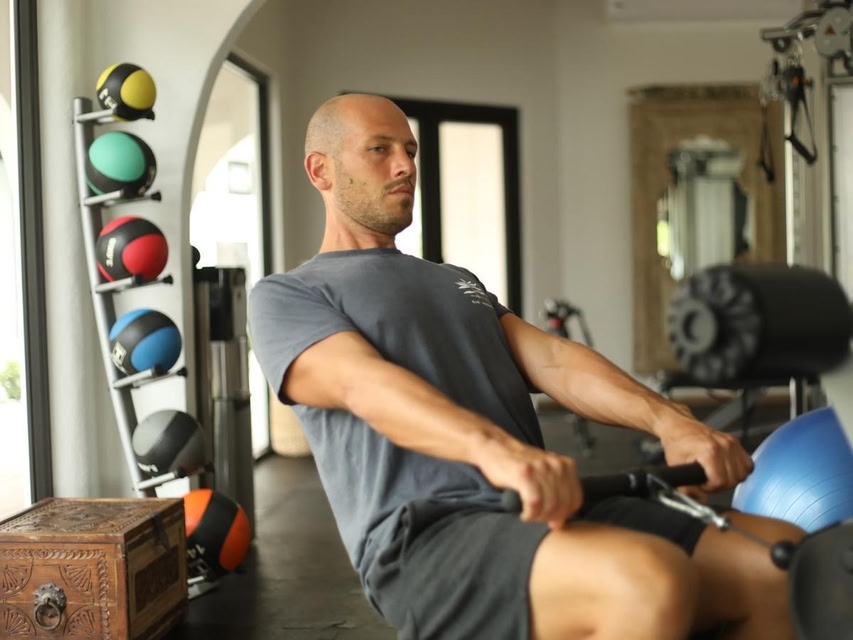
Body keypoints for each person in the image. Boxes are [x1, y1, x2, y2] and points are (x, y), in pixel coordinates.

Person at [248, 93, 805, 640]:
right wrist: (500, 453)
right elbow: (363, 384)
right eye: (380, 149)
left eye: (411, 151)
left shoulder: (452, 279)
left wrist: (671, 421)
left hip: (550, 504)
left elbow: (555, 362)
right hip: (429, 535)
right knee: (647, 582)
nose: (405, 166)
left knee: (783, 566)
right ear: (320, 170)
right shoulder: (290, 295)